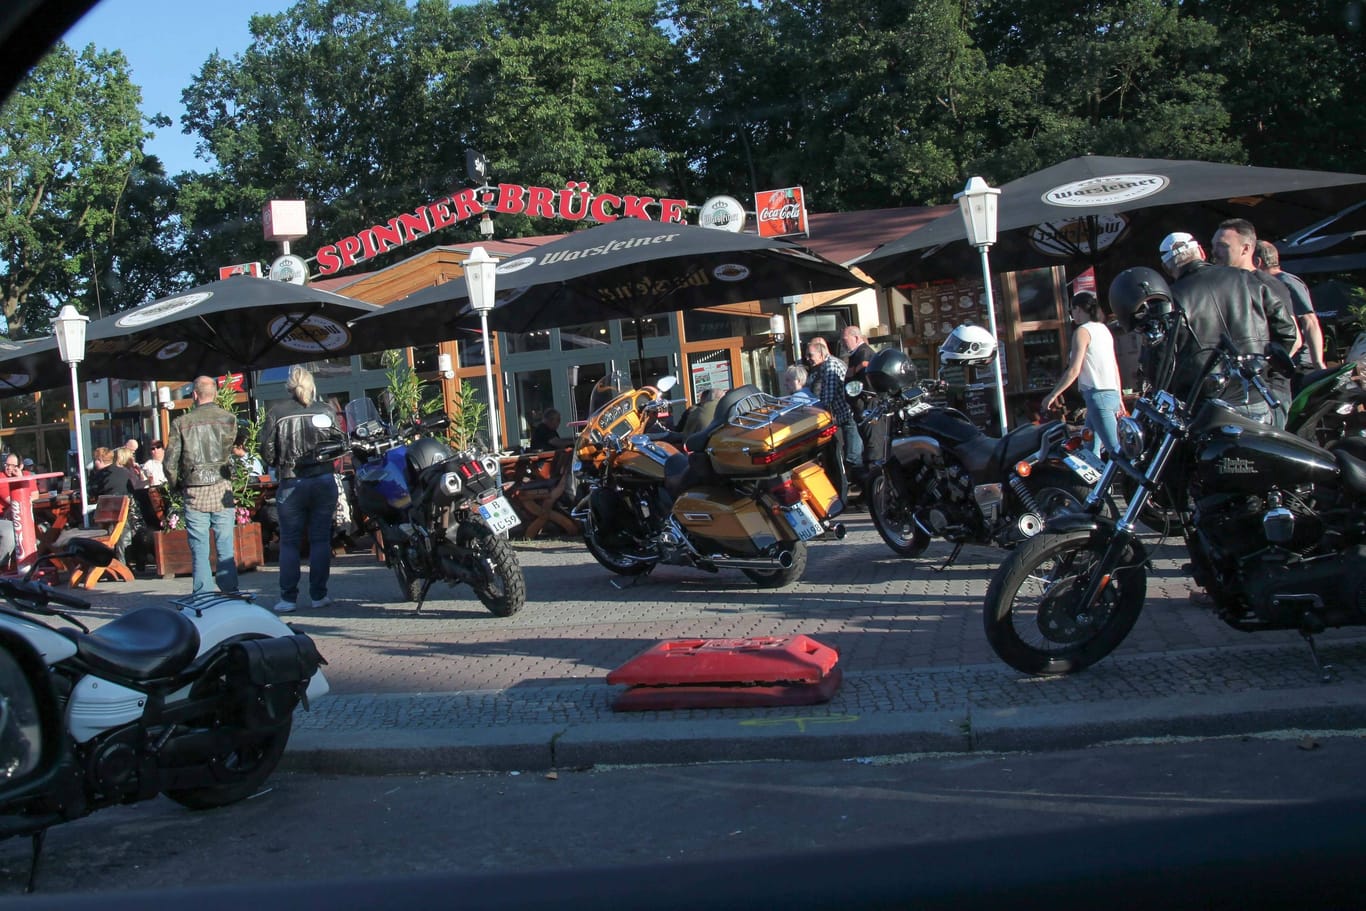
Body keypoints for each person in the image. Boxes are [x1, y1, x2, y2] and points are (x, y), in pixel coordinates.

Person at [1158, 231, 1300, 425]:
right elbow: (1286, 330)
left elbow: (1162, 361)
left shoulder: (1171, 300)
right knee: (1261, 452)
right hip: (1254, 391)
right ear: (1200, 251)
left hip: (1206, 403)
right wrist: (1263, 367)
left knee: (1215, 455)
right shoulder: (1244, 278)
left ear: (1166, 267)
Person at [261, 365, 342, 614]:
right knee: (320, 539)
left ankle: (288, 598)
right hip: (322, 478)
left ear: (289, 386)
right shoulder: (325, 411)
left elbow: (266, 450)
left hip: (291, 480)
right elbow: (339, 443)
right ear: (312, 385)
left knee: (289, 542)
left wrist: (279, 464)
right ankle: (319, 595)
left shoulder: (277, 413)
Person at [165, 375, 239, 596]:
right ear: (215, 393)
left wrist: (177, 484)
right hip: (222, 486)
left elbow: (170, 462)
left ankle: (203, 594)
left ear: (194, 395)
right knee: (225, 541)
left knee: (199, 546)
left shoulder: (181, 423)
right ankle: (230, 591)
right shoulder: (229, 419)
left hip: (194, 487)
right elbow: (232, 451)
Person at [1044, 291, 1123, 457]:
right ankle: (1094, 483)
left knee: (1116, 452)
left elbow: (1074, 370)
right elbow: (1114, 366)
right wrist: (1120, 397)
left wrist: (1053, 395)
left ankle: (1135, 481)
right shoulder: (1103, 330)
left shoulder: (1082, 332)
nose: (1072, 315)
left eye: (1071, 311)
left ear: (1078, 309)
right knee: (1090, 450)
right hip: (1111, 394)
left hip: (1097, 397)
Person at [1256, 240, 1325, 369]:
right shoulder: (1265, 283)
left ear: (1257, 261)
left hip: (1298, 363)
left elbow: (1310, 321)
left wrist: (1318, 363)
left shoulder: (1285, 282)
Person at [806, 336, 862, 469]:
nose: (808, 358)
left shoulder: (830, 365)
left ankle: (861, 478)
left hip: (847, 413)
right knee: (851, 449)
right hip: (843, 414)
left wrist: (814, 410)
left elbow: (828, 395)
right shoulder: (825, 366)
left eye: (810, 355)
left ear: (820, 353)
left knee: (853, 454)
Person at [0, 454, 26, 569]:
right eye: (7, 464)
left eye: (12, 465)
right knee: (11, 531)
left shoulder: (27, 475)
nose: (8, 468)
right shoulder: (1, 478)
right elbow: (14, 501)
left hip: (15, 516)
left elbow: (35, 495)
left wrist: (20, 478)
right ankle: (3, 567)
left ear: (20, 466)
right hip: (2, 518)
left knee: (42, 529)